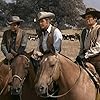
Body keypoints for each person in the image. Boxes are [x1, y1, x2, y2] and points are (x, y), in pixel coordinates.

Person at [76, 8, 100, 77]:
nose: (87, 19)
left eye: (89, 17)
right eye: (86, 17)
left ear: (95, 18)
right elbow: (81, 48)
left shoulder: (98, 29)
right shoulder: (83, 32)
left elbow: (98, 47)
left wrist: (86, 55)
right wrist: (79, 56)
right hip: (85, 57)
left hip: (97, 58)